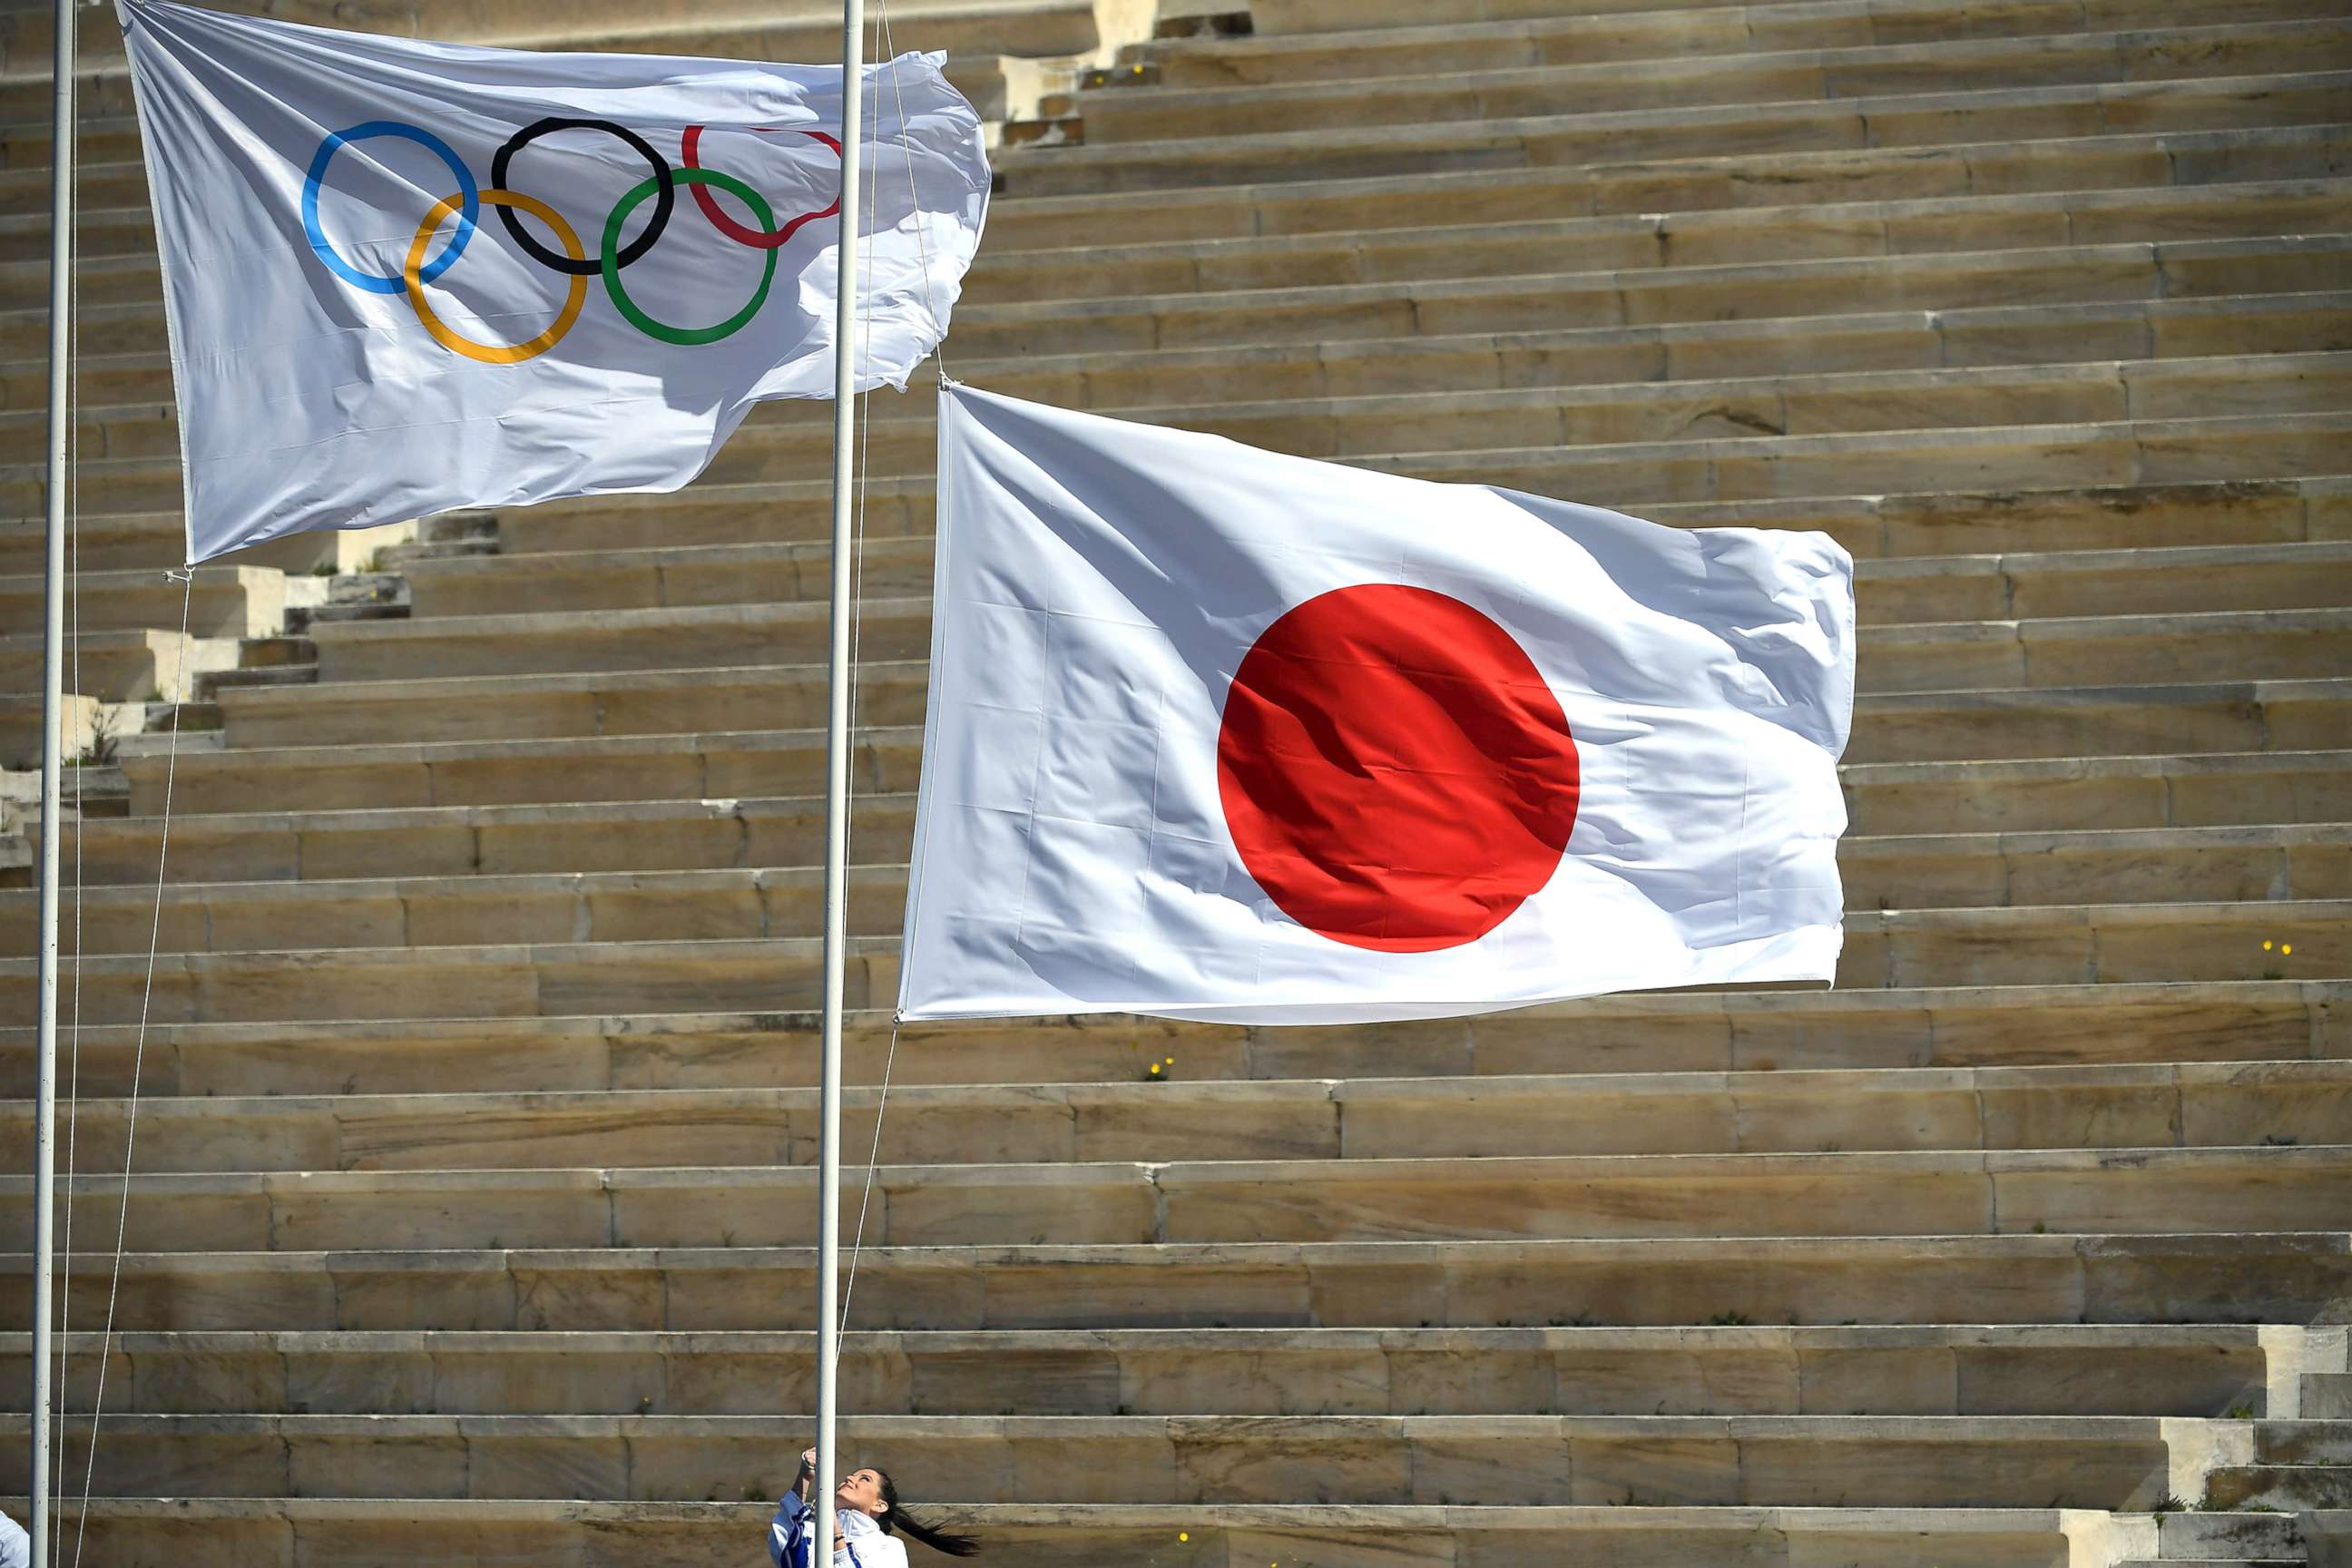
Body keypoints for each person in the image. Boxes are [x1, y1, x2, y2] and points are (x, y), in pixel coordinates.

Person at [769, 1446, 980, 1565]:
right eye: (852, 1474)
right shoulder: (815, 1529)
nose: (850, 1478)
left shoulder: (889, 1548)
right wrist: (804, 1477)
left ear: (880, 1504)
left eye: (865, 1479)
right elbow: (783, 1548)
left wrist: (835, 1534)